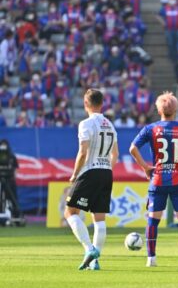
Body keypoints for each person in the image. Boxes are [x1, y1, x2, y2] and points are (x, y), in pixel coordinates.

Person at [129, 91, 178, 267]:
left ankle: (151, 259)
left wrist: (146, 167)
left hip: (157, 180)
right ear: (176, 109)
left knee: (153, 220)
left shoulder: (150, 129)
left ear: (158, 109)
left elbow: (133, 148)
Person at [64, 89, 119, 270]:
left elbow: (83, 151)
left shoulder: (85, 124)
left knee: (70, 212)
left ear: (86, 104)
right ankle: (95, 262)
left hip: (90, 171)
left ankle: (89, 250)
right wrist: (107, 169)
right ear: (102, 104)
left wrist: (74, 174)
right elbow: (115, 154)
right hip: (106, 172)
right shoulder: (110, 125)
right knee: (99, 218)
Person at [0, 139, 24, 223]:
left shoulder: (11, 156)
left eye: (4, 145)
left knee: (13, 198)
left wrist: (13, 177)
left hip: (10, 181)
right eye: (2, 145)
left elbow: (16, 168)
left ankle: (16, 216)